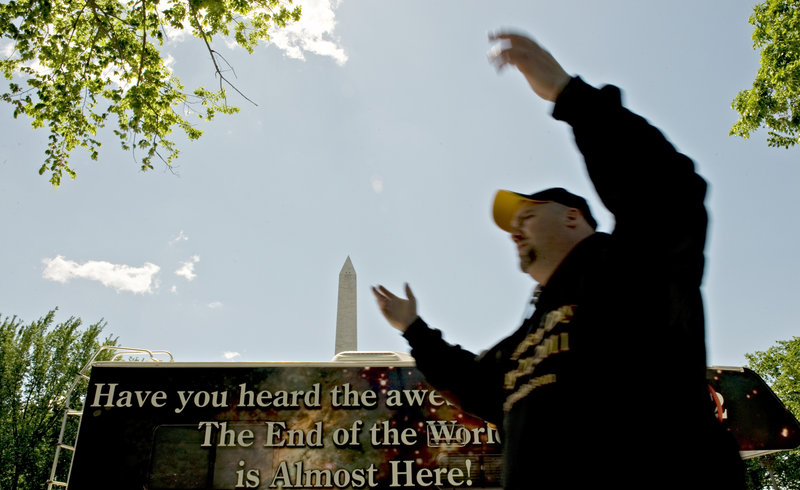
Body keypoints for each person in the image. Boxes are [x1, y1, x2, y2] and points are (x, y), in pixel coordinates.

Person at [372, 32, 746, 489]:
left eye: (527, 216)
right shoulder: (528, 338)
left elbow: (668, 190)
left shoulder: (633, 265)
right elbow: (472, 383)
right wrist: (413, 329)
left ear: (573, 218)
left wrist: (571, 96)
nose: (515, 231)